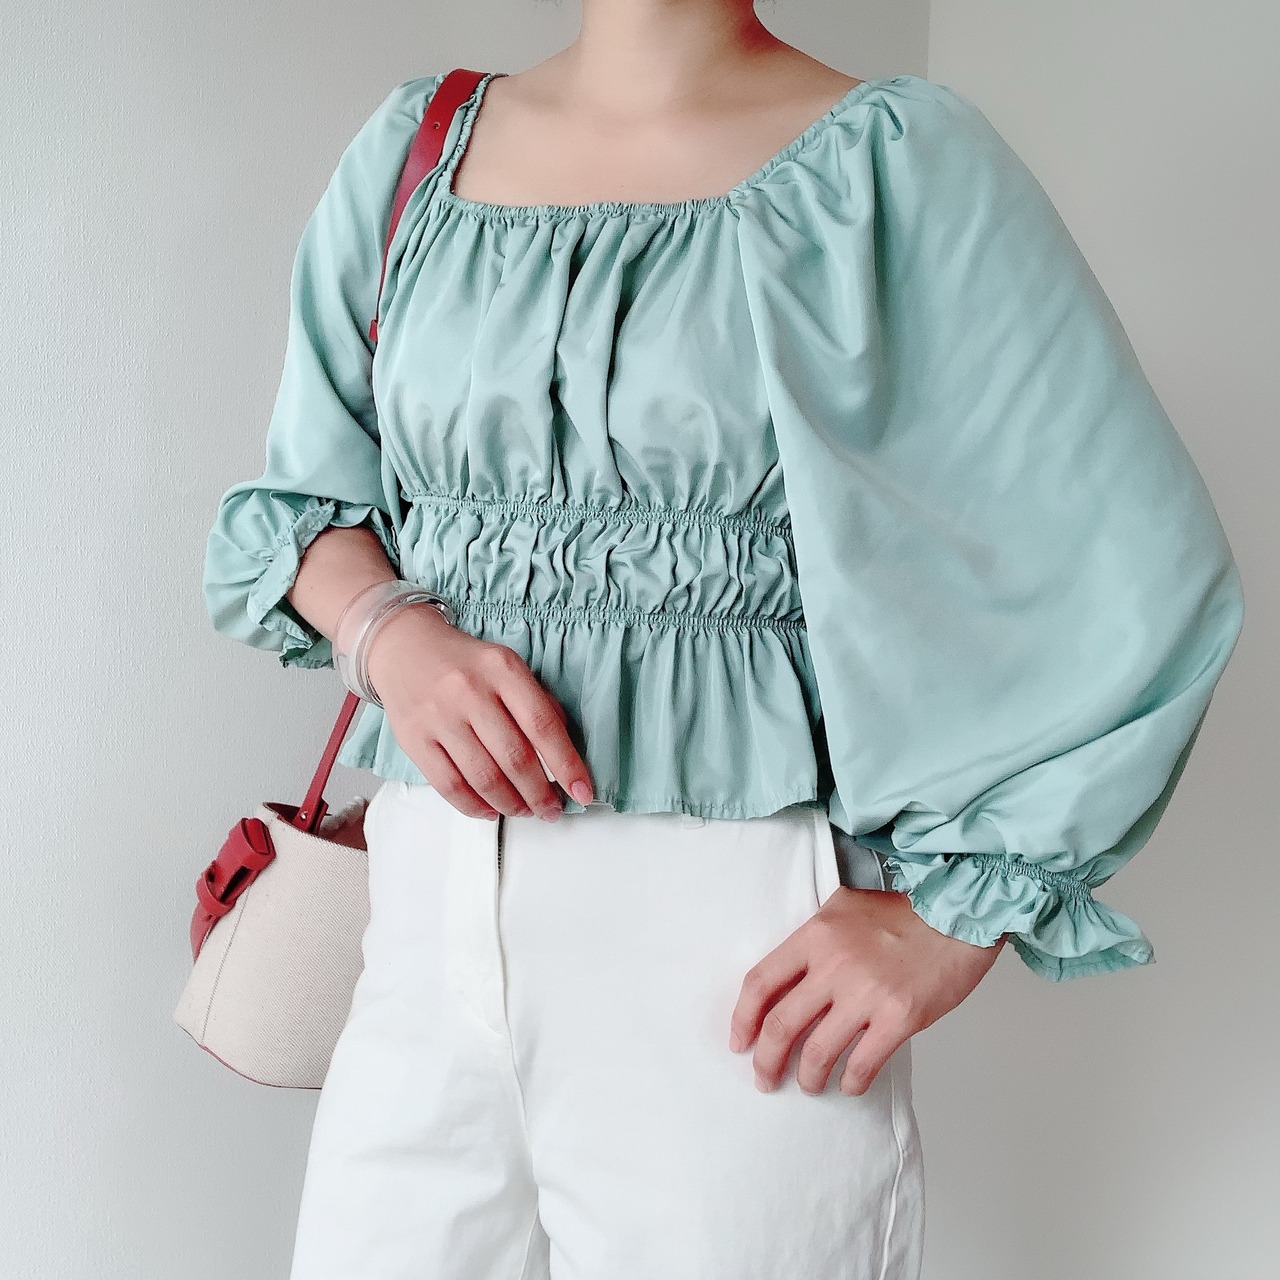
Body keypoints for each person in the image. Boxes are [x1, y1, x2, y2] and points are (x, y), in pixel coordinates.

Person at [200, 7, 1245, 1279]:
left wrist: (949, 921)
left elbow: (1134, 564)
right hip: (420, 916)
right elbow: (305, 508)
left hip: (723, 942)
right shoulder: (416, 147)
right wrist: (389, 634)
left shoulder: (885, 164)